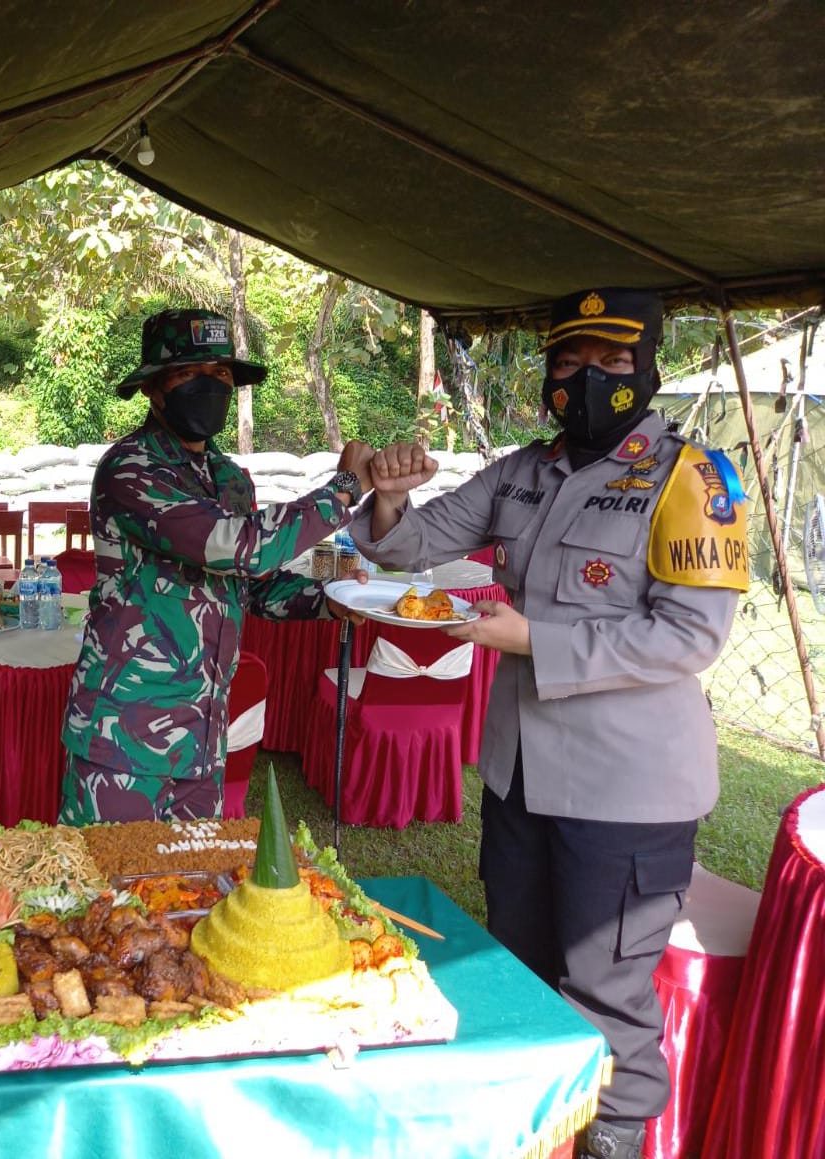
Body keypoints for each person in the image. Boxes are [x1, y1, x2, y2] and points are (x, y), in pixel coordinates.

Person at [349, 288, 748, 1159]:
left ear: (646, 371)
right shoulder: (525, 471)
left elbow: (691, 634)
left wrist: (537, 638)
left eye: (610, 362)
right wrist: (388, 499)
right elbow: (409, 544)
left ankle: (611, 1141)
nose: (589, 380)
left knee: (605, 992)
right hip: (521, 774)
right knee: (517, 970)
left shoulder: (695, 477)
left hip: (627, 789)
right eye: (569, 364)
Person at [59, 307, 372, 825]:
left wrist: (330, 601)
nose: (209, 386)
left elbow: (253, 585)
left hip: (202, 737)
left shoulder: (230, 478)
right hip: (124, 736)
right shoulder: (130, 469)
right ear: (154, 389)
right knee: (104, 892)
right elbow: (240, 546)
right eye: (189, 374)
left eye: (221, 375)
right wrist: (343, 490)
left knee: (188, 893)